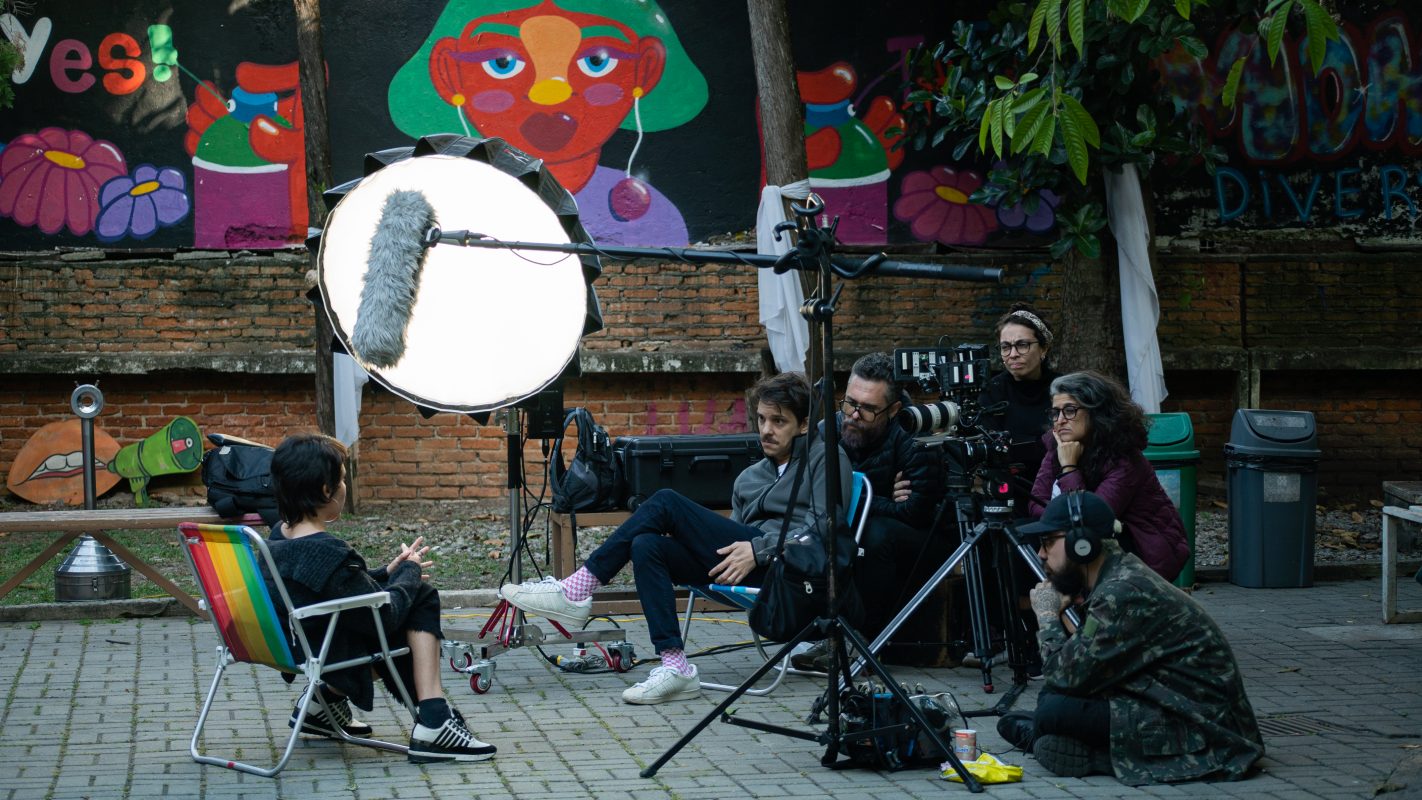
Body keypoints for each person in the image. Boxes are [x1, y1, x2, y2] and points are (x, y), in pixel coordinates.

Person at [500, 372, 852, 704]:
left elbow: (824, 531)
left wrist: (759, 551)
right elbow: (736, 539)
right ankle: (675, 666)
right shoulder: (750, 475)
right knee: (646, 545)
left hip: (788, 575)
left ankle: (577, 590)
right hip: (741, 573)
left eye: (779, 422)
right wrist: (744, 550)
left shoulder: (825, 459)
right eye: (761, 419)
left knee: (666, 501)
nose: (766, 430)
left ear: (804, 424)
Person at [999, 491, 1264, 784]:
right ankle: (1048, 734)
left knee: (1054, 708)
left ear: (1081, 544)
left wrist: (1047, 615)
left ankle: (1093, 755)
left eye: (1048, 542)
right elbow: (1083, 664)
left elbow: (1065, 676)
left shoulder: (1122, 593)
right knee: (1053, 703)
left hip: (1205, 730)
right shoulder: (1119, 576)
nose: (1041, 554)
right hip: (1167, 703)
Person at [265, 433, 496, 764]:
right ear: (326, 491)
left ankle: (322, 704)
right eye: (342, 479)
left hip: (301, 641)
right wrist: (411, 574)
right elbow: (386, 615)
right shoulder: (327, 552)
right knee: (423, 598)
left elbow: (332, 589)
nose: (345, 486)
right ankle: (434, 718)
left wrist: (388, 572)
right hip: (330, 651)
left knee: (408, 593)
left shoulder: (277, 538)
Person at [792, 352, 942, 671]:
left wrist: (860, 500)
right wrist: (883, 497)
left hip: (920, 540)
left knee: (873, 536)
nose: (853, 415)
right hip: (859, 525)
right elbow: (814, 493)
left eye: (868, 409)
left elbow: (917, 511)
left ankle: (861, 641)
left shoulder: (914, 436)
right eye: (849, 403)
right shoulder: (828, 428)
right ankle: (828, 633)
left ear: (894, 410)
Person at [1028, 370, 1189, 582]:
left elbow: (1091, 519)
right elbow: (1034, 505)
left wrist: (1069, 468)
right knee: (1019, 536)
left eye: (1069, 410)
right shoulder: (1057, 447)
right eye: (1055, 413)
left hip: (1145, 549)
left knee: (1075, 541)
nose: (1059, 420)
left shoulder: (1125, 458)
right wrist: (1061, 519)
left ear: (1097, 412)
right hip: (1094, 540)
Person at [978, 303, 1060, 512]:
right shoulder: (991, 390)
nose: (1013, 354)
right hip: (1006, 492)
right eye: (1006, 347)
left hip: (1055, 489)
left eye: (1022, 345)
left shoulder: (1063, 389)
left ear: (1044, 348)